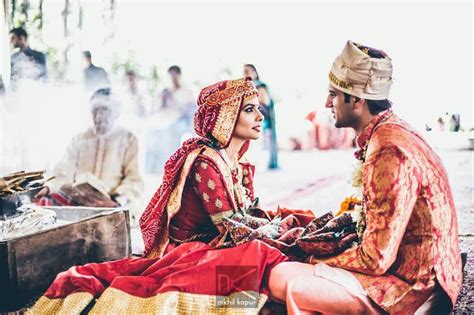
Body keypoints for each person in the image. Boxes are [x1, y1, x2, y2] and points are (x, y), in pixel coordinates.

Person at [30, 78, 288, 314]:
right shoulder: (206, 163)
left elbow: (134, 181)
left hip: (127, 205)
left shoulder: (235, 162)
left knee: (281, 231)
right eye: (249, 109)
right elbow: (233, 230)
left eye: (257, 108)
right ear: (226, 116)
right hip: (193, 251)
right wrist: (278, 230)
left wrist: (276, 226)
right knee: (256, 256)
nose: (260, 116)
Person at [269, 41, 462, 314]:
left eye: (333, 95)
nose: (327, 103)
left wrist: (313, 258)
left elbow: (376, 260)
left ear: (357, 100)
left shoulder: (389, 148)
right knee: (291, 268)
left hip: (415, 288)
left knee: (283, 277)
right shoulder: (390, 131)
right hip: (421, 271)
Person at [35, 88, 144, 222]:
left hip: (110, 202)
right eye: (95, 111)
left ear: (116, 113)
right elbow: (63, 173)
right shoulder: (80, 138)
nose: (98, 117)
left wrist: (116, 202)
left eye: (105, 111)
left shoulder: (128, 139)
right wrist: (47, 188)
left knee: (124, 213)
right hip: (77, 201)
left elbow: (133, 181)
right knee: (41, 205)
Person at [146, 65, 195, 173]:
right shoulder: (165, 90)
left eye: (175, 74)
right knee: (151, 130)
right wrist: (163, 100)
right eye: (171, 75)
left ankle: (172, 165)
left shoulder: (186, 91)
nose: (173, 77)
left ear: (179, 75)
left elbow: (188, 110)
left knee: (171, 131)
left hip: (180, 119)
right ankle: (152, 168)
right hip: (163, 118)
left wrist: (172, 100)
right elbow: (156, 108)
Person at [244, 64, 279, 169]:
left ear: (255, 72)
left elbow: (266, 102)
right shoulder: (244, 87)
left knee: (259, 143)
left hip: (261, 119)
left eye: (248, 71)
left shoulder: (260, 86)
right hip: (248, 119)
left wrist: (251, 104)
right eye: (244, 72)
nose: (246, 74)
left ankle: (257, 165)